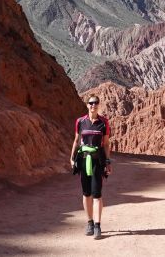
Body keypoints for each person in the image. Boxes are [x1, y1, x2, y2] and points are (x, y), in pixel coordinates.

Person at [69, 95, 113, 239]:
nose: (93, 105)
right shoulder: (80, 122)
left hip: (97, 161)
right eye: (91, 103)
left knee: (97, 194)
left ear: (99, 105)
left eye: (96, 103)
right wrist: (72, 157)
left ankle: (97, 226)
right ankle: (89, 222)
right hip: (83, 160)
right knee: (86, 193)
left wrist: (108, 161)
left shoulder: (104, 122)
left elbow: (106, 144)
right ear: (87, 105)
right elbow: (76, 140)